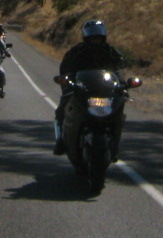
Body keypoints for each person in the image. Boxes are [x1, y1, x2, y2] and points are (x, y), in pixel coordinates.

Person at [53, 19, 126, 155]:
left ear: (103, 37)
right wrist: (68, 83)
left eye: (98, 38)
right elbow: (65, 69)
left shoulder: (111, 52)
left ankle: (114, 144)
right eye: (93, 38)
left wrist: (122, 85)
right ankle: (60, 141)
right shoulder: (77, 52)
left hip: (105, 90)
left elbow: (119, 70)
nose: (95, 41)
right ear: (86, 38)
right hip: (82, 90)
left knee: (120, 107)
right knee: (61, 109)